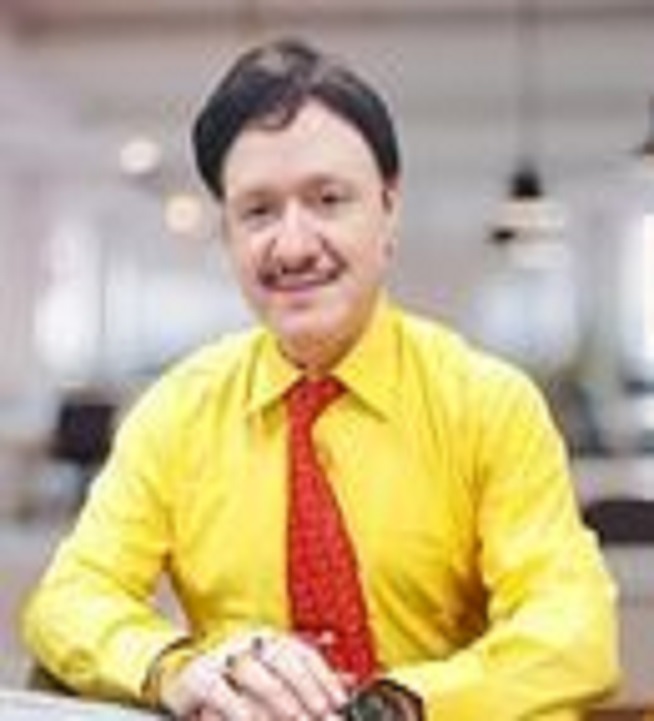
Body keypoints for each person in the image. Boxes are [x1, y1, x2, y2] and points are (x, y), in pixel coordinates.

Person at [22, 37, 619, 720]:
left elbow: (575, 635)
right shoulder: (176, 412)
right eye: (258, 211)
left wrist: (394, 705)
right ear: (228, 233)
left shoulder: (487, 405)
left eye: (329, 199)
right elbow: (67, 600)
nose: (294, 244)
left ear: (388, 208)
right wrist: (176, 668)